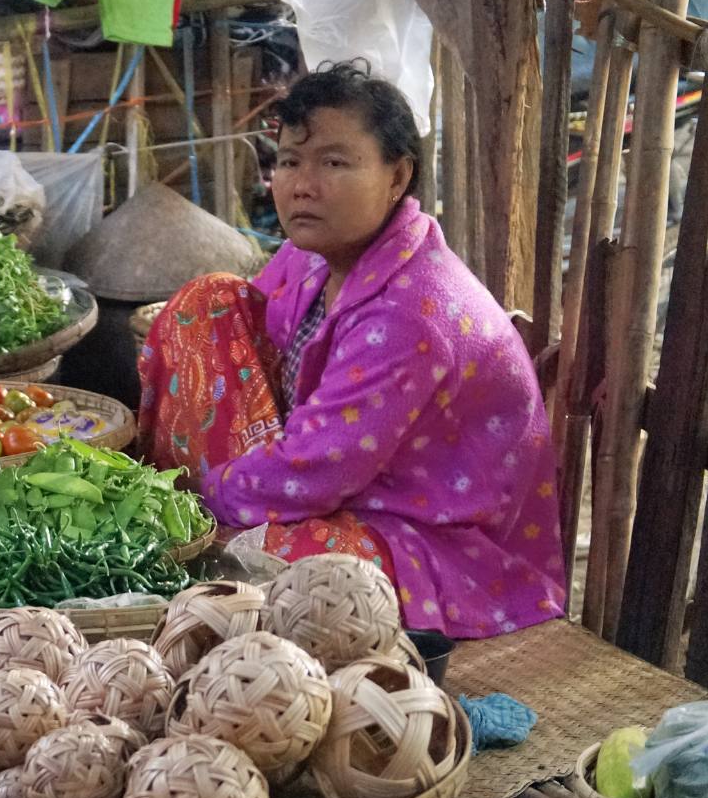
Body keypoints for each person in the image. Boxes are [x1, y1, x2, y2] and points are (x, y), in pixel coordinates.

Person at [136, 62, 566, 639]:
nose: (301, 185)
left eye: (335, 163)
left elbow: (316, 471)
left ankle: (191, 524)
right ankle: (194, 519)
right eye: (290, 161)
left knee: (276, 558)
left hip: (435, 540)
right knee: (207, 304)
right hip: (344, 479)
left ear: (397, 176)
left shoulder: (411, 313)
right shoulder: (315, 252)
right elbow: (251, 357)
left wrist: (192, 505)